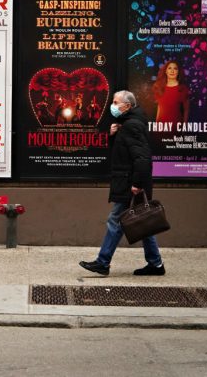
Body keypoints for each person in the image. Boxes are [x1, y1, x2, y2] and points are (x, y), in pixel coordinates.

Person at [79, 90, 165, 276]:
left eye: (116, 102)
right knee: (143, 220)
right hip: (130, 180)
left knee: (116, 221)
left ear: (127, 106)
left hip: (130, 183)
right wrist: (112, 136)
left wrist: (136, 183)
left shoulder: (131, 125)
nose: (113, 105)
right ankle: (156, 264)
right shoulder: (128, 123)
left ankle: (103, 262)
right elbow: (125, 152)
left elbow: (142, 158)